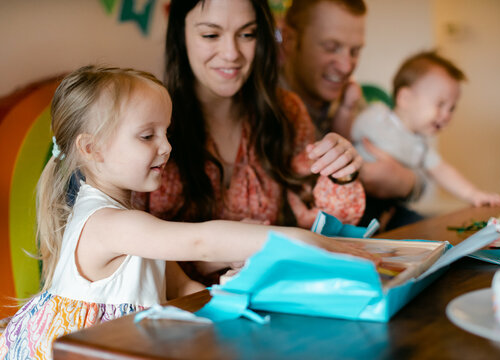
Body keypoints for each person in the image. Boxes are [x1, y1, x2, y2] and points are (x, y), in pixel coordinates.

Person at [0, 66, 375, 360]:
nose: (166, 147)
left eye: (166, 132)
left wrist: (233, 301)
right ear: (91, 149)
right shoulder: (107, 223)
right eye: (147, 136)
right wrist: (303, 241)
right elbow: (201, 240)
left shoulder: (127, 220)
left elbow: (182, 288)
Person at [132, 0, 368, 283]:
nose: (232, 53)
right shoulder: (145, 119)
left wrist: (341, 172)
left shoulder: (287, 113)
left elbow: (326, 228)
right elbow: (124, 250)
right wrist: (217, 252)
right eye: (211, 35)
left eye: (247, 34)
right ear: (180, 35)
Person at [280, 0, 425, 229]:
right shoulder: (266, 107)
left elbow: (419, 173)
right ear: (289, 40)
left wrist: (405, 182)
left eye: (355, 51)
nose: (347, 67)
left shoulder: (353, 100)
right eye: (330, 47)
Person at [351, 51, 500, 207]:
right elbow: (343, 135)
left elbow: (442, 170)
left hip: (388, 207)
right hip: (351, 193)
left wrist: (473, 194)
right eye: (440, 104)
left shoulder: (420, 147)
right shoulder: (377, 116)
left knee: (418, 224)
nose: (446, 115)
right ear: (405, 98)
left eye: (451, 109)